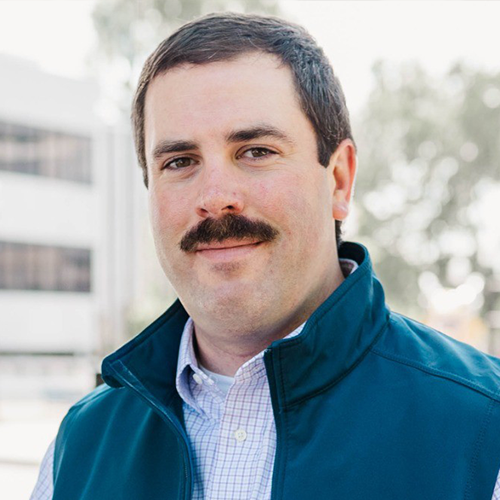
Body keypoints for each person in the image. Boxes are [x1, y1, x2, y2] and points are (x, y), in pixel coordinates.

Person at [31, 12, 500, 500]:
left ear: (339, 180)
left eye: (256, 151)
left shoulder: (485, 434)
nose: (215, 197)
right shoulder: (79, 447)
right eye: (180, 161)